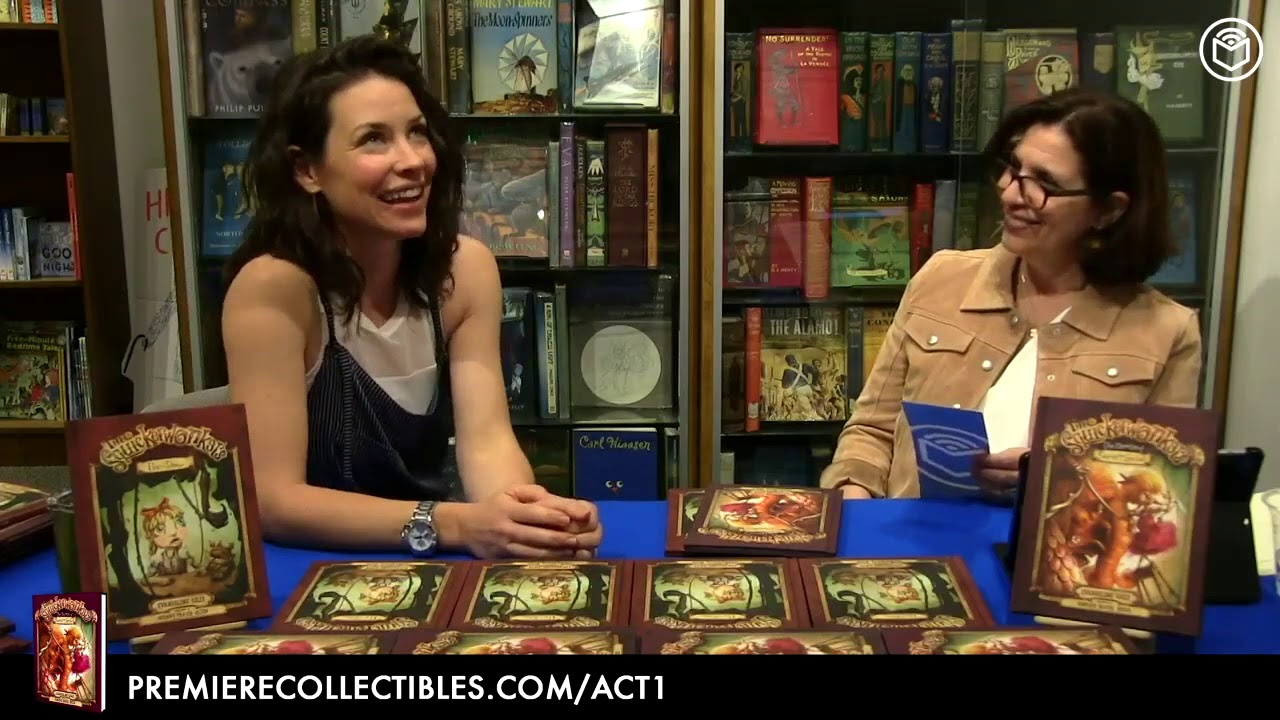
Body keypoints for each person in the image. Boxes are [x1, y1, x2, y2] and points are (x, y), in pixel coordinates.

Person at [220, 36, 601, 558]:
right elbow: (272, 501)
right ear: (307, 171)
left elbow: (488, 442)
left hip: (429, 562)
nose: (413, 160)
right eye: (373, 140)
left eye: (417, 133)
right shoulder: (274, 288)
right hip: (307, 568)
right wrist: (454, 525)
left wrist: (526, 518)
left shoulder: (465, 270)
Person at [819, 88, 1203, 501]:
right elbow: (871, 431)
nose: (1011, 194)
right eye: (1014, 169)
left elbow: (1161, 492)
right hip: (914, 537)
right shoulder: (941, 278)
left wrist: (1053, 478)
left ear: (1108, 210)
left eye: (1045, 183)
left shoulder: (1167, 331)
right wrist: (853, 493)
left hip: (1056, 542)